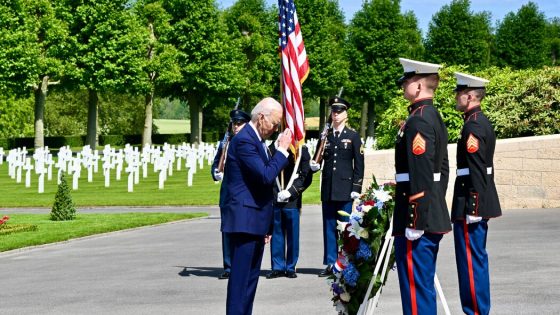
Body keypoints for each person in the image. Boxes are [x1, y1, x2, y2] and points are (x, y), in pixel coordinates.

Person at [221, 97, 292, 315]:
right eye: (274, 123)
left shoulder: (255, 140)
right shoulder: (244, 140)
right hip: (244, 221)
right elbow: (265, 175)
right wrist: (281, 150)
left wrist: (267, 225)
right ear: (261, 117)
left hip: (255, 221)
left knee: (250, 282)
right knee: (241, 282)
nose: (275, 128)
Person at [392, 58, 452, 315]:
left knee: (416, 291)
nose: (403, 86)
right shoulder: (433, 116)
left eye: (406, 82)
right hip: (428, 212)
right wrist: (435, 201)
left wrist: (415, 220)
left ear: (417, 85)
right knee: (422, 286)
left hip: (417, 219)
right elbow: (444, 169)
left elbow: (424, 173)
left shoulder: (418, 120)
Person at [451, 72, 502, 315]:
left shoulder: (473, 124)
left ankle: (476, 312)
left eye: (459, 93)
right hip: (473, 201)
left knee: (471, 262)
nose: (455, 97)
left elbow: (477, 168)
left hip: (471, 203)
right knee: (474, 260)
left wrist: (473, 206)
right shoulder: (477, 121)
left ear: (470, 96)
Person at [310, 96, 364, 277]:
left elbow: (359, 164)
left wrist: (356, 187)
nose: (335, 114)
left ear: (346, 114)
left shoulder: (353, 136)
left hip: (345, 189)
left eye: (339, 111)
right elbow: (318, 157)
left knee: (345, 228)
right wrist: (314, 165)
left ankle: (346, 262)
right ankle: (331, 262)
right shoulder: (325, 136)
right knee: (329, 227)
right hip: (328, 189)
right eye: (333, 111)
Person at [211, 109, 251, 280]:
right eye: (234, 123)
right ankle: (228, 266)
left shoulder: (250, 143)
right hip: (227, 194)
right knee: (227, 231)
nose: (236, 126)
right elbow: (216, 163)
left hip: (244, 194)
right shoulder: (225, 143)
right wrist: (216, 173)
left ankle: (241, 264)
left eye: (239, 123)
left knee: (242, 231)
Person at [265, 144, 313, 279]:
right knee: (277, 233)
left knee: (292, 234)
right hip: (275, 197)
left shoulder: (301, 149)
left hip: (292, 200)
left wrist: (291, 192)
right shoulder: (271, 149)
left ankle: (291, 267)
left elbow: (306, 176)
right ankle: (278, 267)